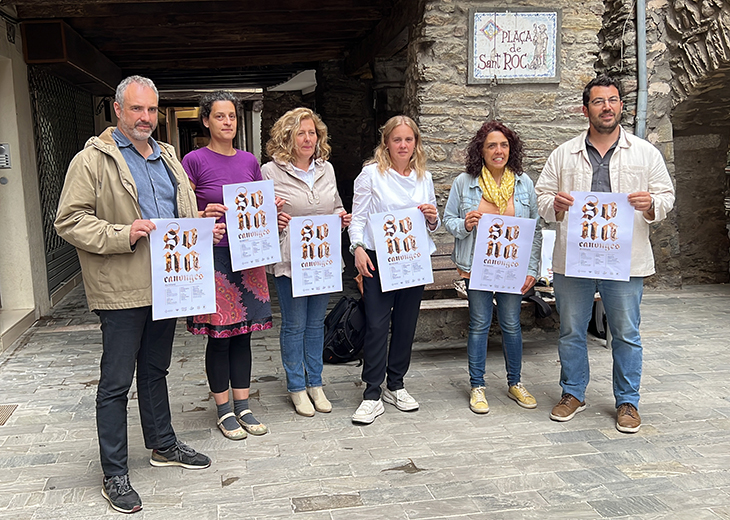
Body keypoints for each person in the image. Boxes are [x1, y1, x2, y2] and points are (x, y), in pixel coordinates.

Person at [54, 76, 220, 514]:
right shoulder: (91, 160)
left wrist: (203, 222)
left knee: (155, 370)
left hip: (169, 284)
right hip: (122, 287)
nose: (145, 118)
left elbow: (176, 216)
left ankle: (163, 444)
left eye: (151, 110)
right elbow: (69, 221)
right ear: (117, 109)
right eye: (136, 110)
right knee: (114, 382)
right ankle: (114, 473)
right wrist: (122, 233)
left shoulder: (168, 156)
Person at [535, 75, 675, 433]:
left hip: (625, 258)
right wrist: (556, 204)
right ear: (586, 110)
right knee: (570, 330)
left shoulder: (645, 153)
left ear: (622, 107)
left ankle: (628, 402)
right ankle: (573, 393)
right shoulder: (563, 154)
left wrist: (651, 205)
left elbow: (666, 196)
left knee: (626, 332)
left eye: (612, 100)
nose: (607, 107)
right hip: (574, 258)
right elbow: (542, 198)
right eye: (598, 101)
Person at [182, 91, 273, 440]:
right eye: (220, 116)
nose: (227, 122)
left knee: (244, 334)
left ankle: (244, 404)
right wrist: (203, 216)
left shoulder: (249, 161)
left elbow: (256, 207)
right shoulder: (194, 161)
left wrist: (271, 211)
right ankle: (223, 410)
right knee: (219, 337)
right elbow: (183, 213)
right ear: (206, 120)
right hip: (214, 255)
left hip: (248, 256)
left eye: (232, 116)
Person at [443, 121, 542, 414]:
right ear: (481, 151)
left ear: (511, 149)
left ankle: (515, 383)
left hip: (512, 267)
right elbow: (448, 219)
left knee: (512, 324)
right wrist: (464, 224)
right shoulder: (465, 182)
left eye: (504, 145)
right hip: (477, 266)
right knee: (479, 325)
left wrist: (532, 269)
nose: (499, 151)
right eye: (491, 146)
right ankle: (477, 386)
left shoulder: (524, 183)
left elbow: (535, 230)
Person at [349, 115, 440, 425]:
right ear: (386, 142)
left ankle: (396, 384)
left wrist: (431, 217)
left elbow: (432, 224)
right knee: (376, 323)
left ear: (416, 143)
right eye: (397, 139)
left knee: (406, 323)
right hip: (378, 257)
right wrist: (357, 248)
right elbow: (357, 218)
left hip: (412, 257)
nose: (403, 145)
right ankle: (371, 393)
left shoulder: (423, 177)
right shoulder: (371, 175)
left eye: (409, 139)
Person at [261, 107, 351, 417]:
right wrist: (274, 218)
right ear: (287, 137)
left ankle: (316, 383)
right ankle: (297, 387)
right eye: (301, 132)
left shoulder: (327, 169)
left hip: (322, 259)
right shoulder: (269, 172)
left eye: (312, 132)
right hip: (290, 260)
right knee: (295, 325)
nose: (308, 138)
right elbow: (260, 218)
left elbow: (336, 205)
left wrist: (340, 218)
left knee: (316, 325)